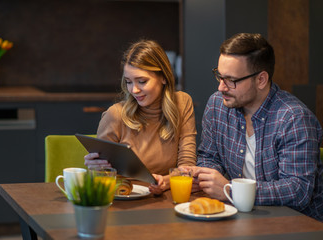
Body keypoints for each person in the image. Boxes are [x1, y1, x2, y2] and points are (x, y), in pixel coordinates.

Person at [191, 33, 323, 221]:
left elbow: (298, 190)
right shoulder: (218, 105)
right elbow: (209, 156)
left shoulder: (293, 118)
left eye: (231, 80)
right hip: (244, 218)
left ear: (261, 79)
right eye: (219, 76)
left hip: (296, 224)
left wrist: (231, 190)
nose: (221, 87)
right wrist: (208, 178)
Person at [84, 39, 197, 194]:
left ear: (163, 77)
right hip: (124, 199)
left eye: (142, 81)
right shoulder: (115, 115)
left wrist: (167, 181)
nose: (134, 90)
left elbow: (187, 165)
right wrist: (95, 168)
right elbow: (100, 177)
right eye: (129, 82)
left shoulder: (183, 103)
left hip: (166, 199)